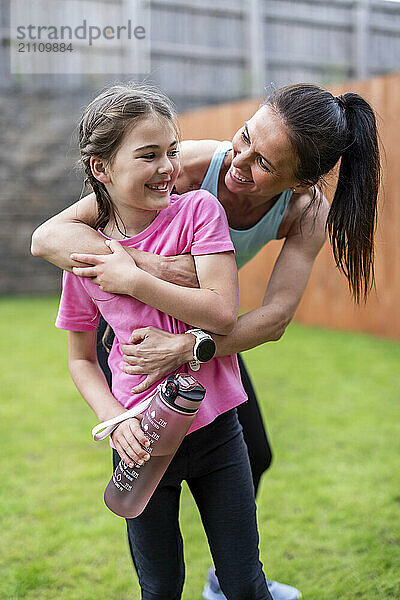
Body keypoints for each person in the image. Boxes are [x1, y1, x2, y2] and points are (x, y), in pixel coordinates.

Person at [31, 83, 381, 600]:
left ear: (300, 181)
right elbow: (51, 237)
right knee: (161, 559)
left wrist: (192, 340)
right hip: (139, 334)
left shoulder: (303, 212)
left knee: (250, 452)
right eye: (244, 137)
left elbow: (273, 317)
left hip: (208, 339)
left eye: (264, 163)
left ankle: (232, 576)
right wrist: (148, 270)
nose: (239, 160)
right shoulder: (191, 165)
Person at [50, 83, 274, 600]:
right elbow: (81, 359)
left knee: (244, 582)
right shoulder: (82, 255)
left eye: (172, 151)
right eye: (148, 155)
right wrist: (117, 418)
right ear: (101, 168)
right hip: (143, 442)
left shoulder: (199, 212)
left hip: (218, 433)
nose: (168, 167)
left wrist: (134, 278)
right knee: (160, 587)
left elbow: (221, 314)